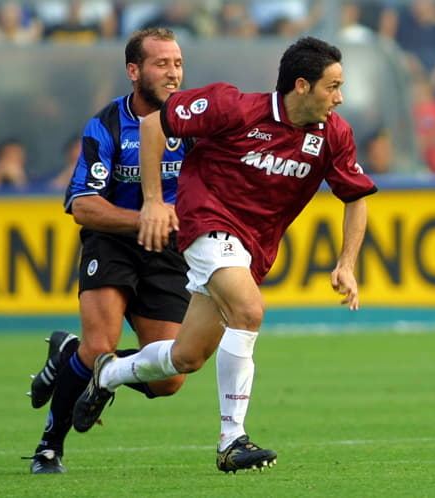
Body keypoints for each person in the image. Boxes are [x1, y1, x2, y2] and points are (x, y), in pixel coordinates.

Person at [72, 36, 378, 474]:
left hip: (252, 247)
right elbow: (156, 124)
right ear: (302, 86)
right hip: (204, 221)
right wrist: (155, 201)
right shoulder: (233, 107)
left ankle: (108, 373)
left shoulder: (334, 134)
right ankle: (231, 439)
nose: (340, 97)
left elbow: (356, 197)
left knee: (185, 358)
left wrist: (347, 263)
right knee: (249, 310)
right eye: (333, 86)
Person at [24, 27, 191, 475]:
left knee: (170, 378)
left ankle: (69, 354)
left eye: (177, 63)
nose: (172, 73)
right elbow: (82, 204)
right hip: (114, 243)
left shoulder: (196, 122)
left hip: (169, 253)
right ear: (134, 71)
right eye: (161, 64)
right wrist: (145, 218)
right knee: (103, 344)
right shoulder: (107, 124)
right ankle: (49, 446)